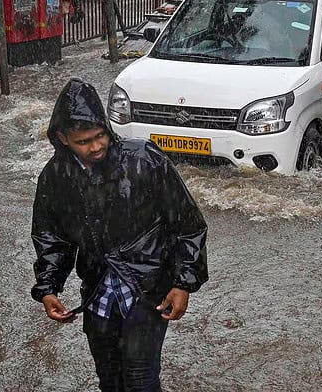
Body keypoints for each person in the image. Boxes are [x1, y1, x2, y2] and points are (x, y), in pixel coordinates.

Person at [31, 79, 209, 391]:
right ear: (63, 138)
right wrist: (48, 288)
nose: (97, 146)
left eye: (100, 135)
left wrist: (183, 284)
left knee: (141, 380)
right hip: (98, 290)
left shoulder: (144, 159)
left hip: (148, 287)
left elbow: (187, 223)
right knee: (110, 381)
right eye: (84, 141)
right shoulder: (56, 176)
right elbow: (52, 237)